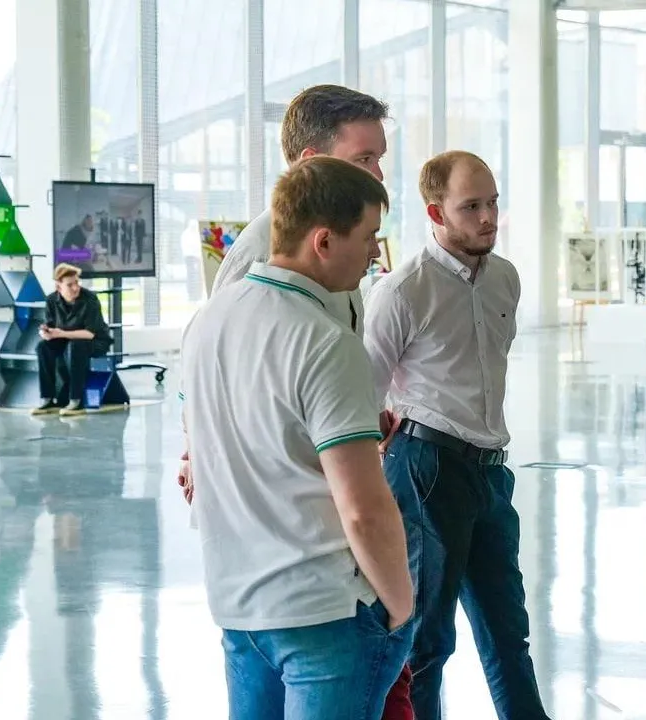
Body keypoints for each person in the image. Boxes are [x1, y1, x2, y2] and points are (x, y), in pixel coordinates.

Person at [180, 156, 413, 720]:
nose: (375, 254)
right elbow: (363, 509)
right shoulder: (326, 342)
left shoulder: (209, 321)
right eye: (369, 236)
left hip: (238, 609)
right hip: (322, 613)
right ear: (324, 241)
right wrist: (402, 605)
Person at [363, 150, 550, 720]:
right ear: (435, 212)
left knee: (508, 629)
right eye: (471, 207)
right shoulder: (403, 291)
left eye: (492, 203)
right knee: (426, 640)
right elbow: (365, 393)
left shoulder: (505, 279)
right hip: (427, 467)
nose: (488, 217)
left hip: (490, 472)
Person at [210, 83, 387, 337]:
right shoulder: (257, 254)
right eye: (364, 159)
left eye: (378, 159)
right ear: (310, 162)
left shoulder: (343, 239)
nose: (378, 176)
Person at [33, 263, 113, 417]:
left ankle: (76, 400)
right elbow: (50, 326)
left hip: (95, 341)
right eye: (70, 285)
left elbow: (89, 334)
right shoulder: (51, 300)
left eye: (77, 282)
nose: (76, 287)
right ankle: (47, 398)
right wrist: (45, 332)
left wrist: (61, 333)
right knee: (42, 347)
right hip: (66, 340)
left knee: (75, 346)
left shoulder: (90, 299)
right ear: (59, 287)